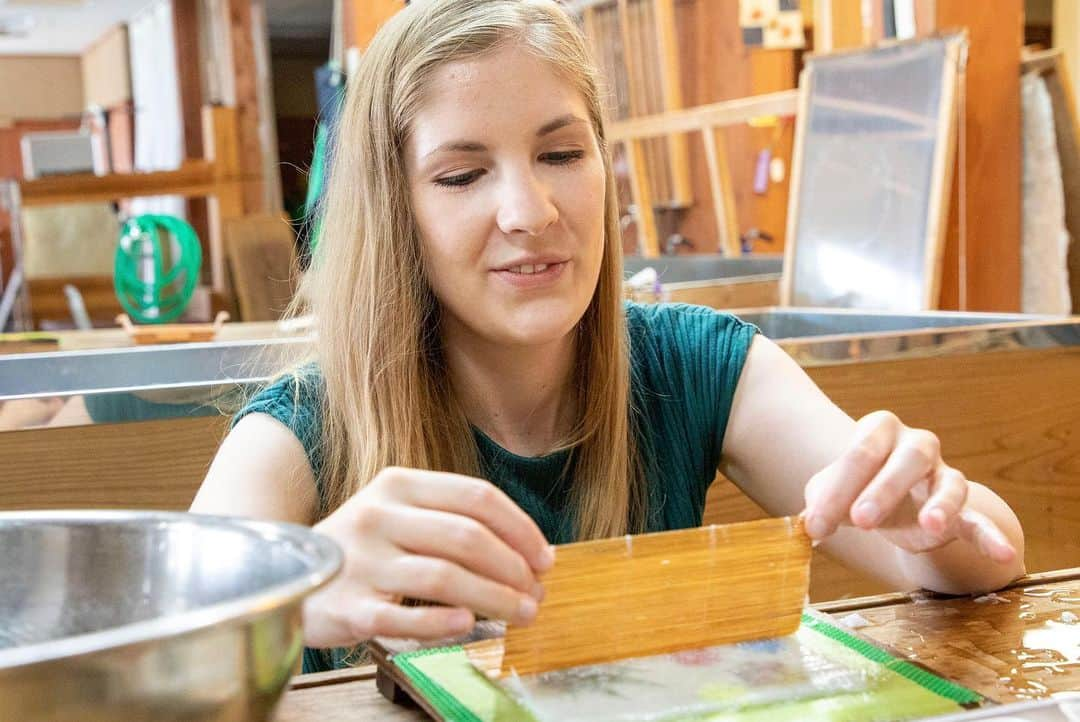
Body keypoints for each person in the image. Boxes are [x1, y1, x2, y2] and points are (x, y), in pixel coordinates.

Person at [190, 0, 1025, 673]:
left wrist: (937, 524)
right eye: (462, 175)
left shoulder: (698, 363)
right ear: (393, 210)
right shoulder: (297, 428)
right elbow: (160, 651)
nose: (530, 213)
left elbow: (982, 555)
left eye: (560, 154)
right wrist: (289, 593)